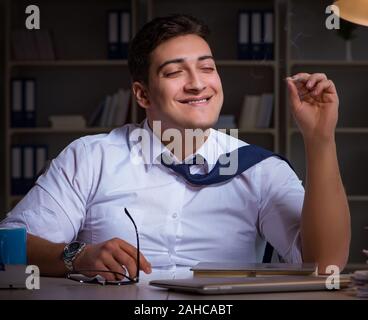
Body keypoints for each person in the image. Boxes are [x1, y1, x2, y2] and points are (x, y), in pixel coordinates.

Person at [0, 15, 350, 281]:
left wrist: (320, 139)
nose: (197, 83)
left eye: (207, 68)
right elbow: (9, 247)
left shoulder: (258, 169)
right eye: (174, 73)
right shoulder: (91, 158)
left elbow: (326, 265)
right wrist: (76, 256)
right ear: (142, 94)